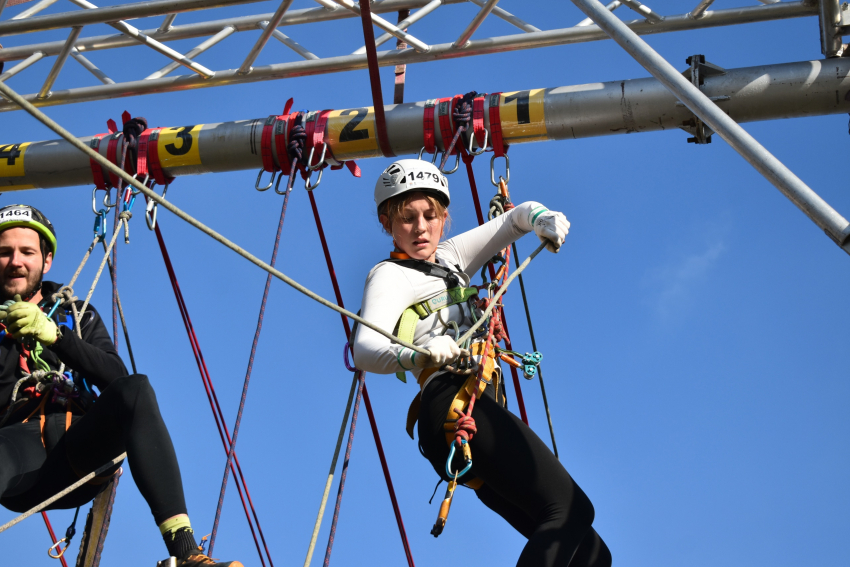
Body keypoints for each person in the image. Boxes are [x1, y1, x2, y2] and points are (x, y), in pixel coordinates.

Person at [352, 160, 611, 567]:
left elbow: (515, 220)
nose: (420, 227)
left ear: (443, 217)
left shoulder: (452, 256)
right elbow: (364, 348)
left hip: (475, 409)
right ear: (387, 221)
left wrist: (541, 217)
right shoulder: (389, 275)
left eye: (430, 215)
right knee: (570, 508)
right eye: (407, 218)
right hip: (450, 404)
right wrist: (416, 353)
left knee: (592, 555)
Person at [0, 204, 241, 567]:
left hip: (75, 445)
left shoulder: (77, 315)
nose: (16, 261)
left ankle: (186, 553)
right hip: (14, 453)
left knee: (136, 389)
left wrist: (55, 336)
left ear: (46, 261)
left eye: (27, 252)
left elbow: (117, 379)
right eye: (4, 252)